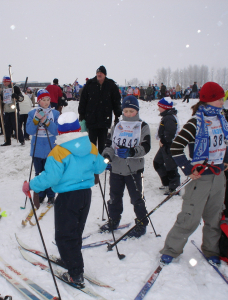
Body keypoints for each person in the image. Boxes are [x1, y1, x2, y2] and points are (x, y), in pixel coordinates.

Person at [22, 111, 106, 288]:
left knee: (64, 235)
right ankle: (69, 258)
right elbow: (99, 166)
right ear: (78, 128)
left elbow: (50, 177)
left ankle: (75, 274)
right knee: (74, 231)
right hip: (85, 195)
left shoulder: (58, 151)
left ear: (59, 132)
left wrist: (31, 185)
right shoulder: (90, 146)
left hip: (68, 197)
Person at [159, 81, 228, 265]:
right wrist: (188, 168)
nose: (222, 101)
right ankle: (171, 249)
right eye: (218, 98)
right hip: (200, 178)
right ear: (208, 100)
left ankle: (211, 249)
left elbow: (222, 144)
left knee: (214, 217)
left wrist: (226, 160)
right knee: (190, 217)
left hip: (218, 177)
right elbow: (176, 147)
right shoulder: (195, 122)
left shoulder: (221, 119)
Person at [100, 96, 151, 238]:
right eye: (126, 111)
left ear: (137, 111)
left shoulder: (142, 126)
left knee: (137, 198)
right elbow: (109, 144)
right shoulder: (117, 125)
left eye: (131, 111)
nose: (128, 114)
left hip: (134, 169)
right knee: (114, 197)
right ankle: (114, 219)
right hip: (116, 168)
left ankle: (141, 222)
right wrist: (107, 156)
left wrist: (132, 152)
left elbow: (146, 146)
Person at [26, 89, 60, 204]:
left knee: (50, 172)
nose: (46, 102)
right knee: (39, 173)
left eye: (48, 99)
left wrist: (46, 122)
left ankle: (51, 195)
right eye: (43, 100)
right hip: (37, 148)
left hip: (51, 147)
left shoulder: (55, 113)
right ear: (38, 101)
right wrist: (36, 120)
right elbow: (29, 130)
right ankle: (40, 194)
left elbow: (56, 131)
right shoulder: (32, 113)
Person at [78, 65, 122, 153]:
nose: (99, 74)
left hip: (105, 119)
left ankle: (102, 161)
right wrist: (81, 114)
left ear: (105, 74)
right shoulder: (90, 84)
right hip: (91, 119)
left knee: (103, 144)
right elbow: (83, 100)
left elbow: (116, 101)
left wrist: (117, 114)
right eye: (97, 73)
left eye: (101, 73)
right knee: (91, 144)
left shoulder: (111, 85)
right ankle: (92, 161)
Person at [153, 98, 181, 195]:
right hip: (165, 145)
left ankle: (175, 187)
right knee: (157, 162)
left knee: (171, 167)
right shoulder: (167, 116)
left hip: (169, 146)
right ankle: (167, 183)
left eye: (159, 107)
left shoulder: (169, 117)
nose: (158, 109)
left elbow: (170, 132)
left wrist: (164, 141)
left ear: (165, 107)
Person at [0, 77, 25, 146]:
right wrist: (0, 97)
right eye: (3, 82)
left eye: (5, 82)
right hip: (6, 110)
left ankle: (21, 140)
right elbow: (3, 100)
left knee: (16, 125)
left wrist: (16, 96)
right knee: (7, 127)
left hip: (13, 110)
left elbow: (21, 98)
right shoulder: (4, 90)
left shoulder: (15, 88)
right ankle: (7, 140)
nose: (4, 83)